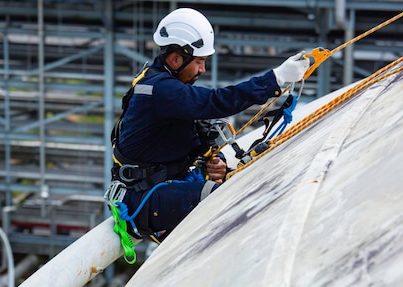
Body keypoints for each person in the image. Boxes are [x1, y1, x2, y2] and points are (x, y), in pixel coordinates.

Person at [107, 7, 309, 244]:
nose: (202, 69)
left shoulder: (166, 88)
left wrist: (213, 162)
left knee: (231, 186)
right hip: (142, 199)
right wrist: (275, 79)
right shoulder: (162, 91)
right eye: (199, 61)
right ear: (176, 59)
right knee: (222, 198)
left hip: (157, 188)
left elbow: (186, 139)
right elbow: (216, 102)